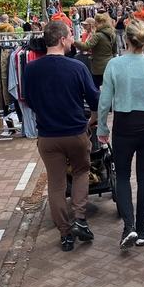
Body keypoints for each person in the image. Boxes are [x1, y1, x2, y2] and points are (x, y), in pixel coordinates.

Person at [22, 21, 100, 252]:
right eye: (69, 36)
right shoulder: (76, 67)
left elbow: (28, 100)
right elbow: (94, 99)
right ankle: (80, 218)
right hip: (75, 131)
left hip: (48, 135)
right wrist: (93, 118)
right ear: (63, 39)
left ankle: (65, 233)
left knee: (55, 184)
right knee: (81, 171)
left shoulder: (31, 69)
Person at [97, 20, 144, 250]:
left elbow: (104, 102)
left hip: (124, 127)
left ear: (125, 39)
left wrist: (102, 128)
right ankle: (141, 229)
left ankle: (128, 227)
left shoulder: (114, 65)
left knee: (123, 176)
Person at [74, 12, 116, 89]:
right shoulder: (112, 34)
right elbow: (114, 50)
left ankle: (97, 100)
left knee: (95, 86)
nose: (95, 24)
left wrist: (74, 41)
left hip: (98, 66)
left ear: (100, 23)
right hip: (109, 63)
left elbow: (87, 46)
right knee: (108, 87)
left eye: (96, 23)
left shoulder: (98, 35)